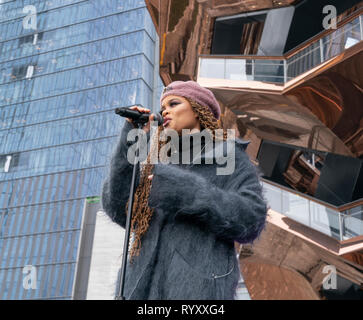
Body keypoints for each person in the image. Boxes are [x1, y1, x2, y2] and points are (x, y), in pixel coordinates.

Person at [101, 80, 267, 300]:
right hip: (138, 291)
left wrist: (185, 190)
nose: (165, 111)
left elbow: (251, 219)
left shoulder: (229, 157)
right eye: (162, 108)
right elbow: (120, 208)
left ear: (199, 110)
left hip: (197, 293)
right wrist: (130, 143)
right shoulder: (156, 161)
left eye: (174, 103)